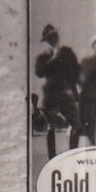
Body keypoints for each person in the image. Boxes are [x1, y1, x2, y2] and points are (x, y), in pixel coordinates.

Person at [36, 24, 81, 157]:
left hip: (64, 90)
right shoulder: (43, 56)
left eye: (55, 35)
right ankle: (52, 158)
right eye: (50, 37)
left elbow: (73, 73)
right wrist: (53, 58)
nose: (54, 38)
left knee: (77, 124)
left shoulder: (67, 52)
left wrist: (75, 91)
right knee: (51, 126)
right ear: (46, 40)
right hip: (49, 92)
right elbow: (39, 72)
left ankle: (73, 155)